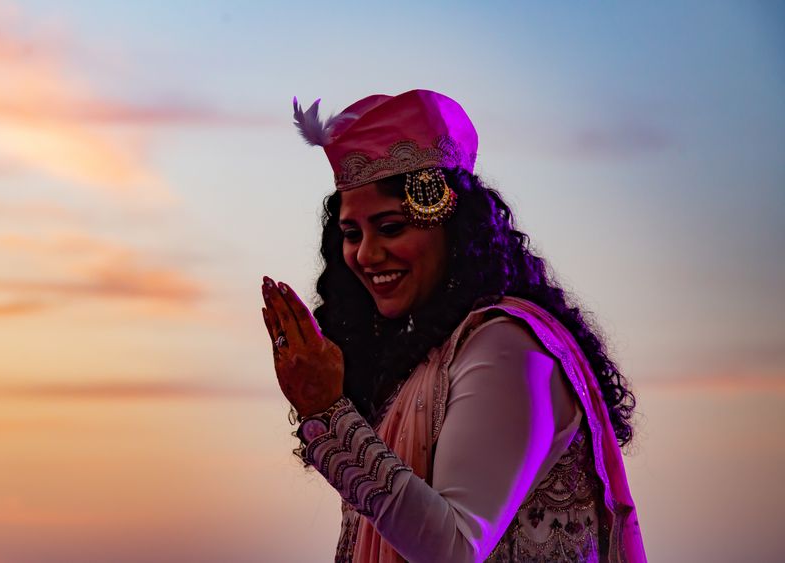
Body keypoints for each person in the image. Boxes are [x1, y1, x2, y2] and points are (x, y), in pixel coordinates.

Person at [259, 89, 648, 562]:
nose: (365, 255)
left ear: (448, 224)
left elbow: (456, 549)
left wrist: (329, 413)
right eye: (351, 234)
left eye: (390, 227)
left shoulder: (507, 346)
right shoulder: (430, 357)